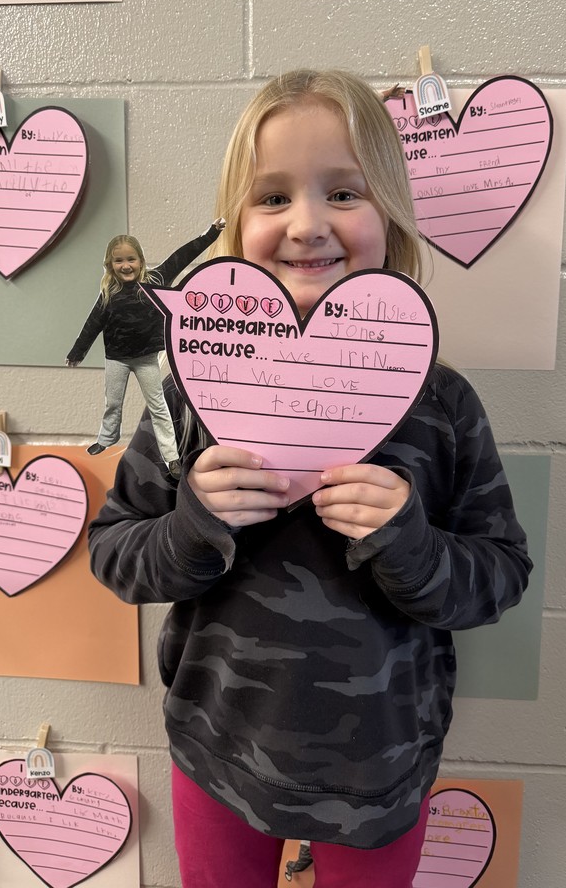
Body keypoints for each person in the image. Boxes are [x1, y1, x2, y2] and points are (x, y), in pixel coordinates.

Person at [88, 70, 532, 888]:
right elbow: (115, 552)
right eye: (272, 197)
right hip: (217, 754)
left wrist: (410, 543)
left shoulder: (441, 406)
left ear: (390, 216)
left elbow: (500, 576)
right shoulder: (188, 396)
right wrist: (192, 525)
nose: (306, 224)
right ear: (236, 225)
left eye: (344, 193)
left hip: (380, 772)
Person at [65, 222, 224, 478]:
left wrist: (211, 234)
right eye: (118, 261)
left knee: (158, 406)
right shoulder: (108, 293)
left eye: (131, 259)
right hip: (116, 359)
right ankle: (106, 438)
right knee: (113, 403)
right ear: (110, 265)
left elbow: (182, 256)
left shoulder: (156, 280)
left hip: (146, 359)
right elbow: (92, 325)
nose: (125, 265)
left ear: (141, 260)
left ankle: (171, 457)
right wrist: (77, 353)